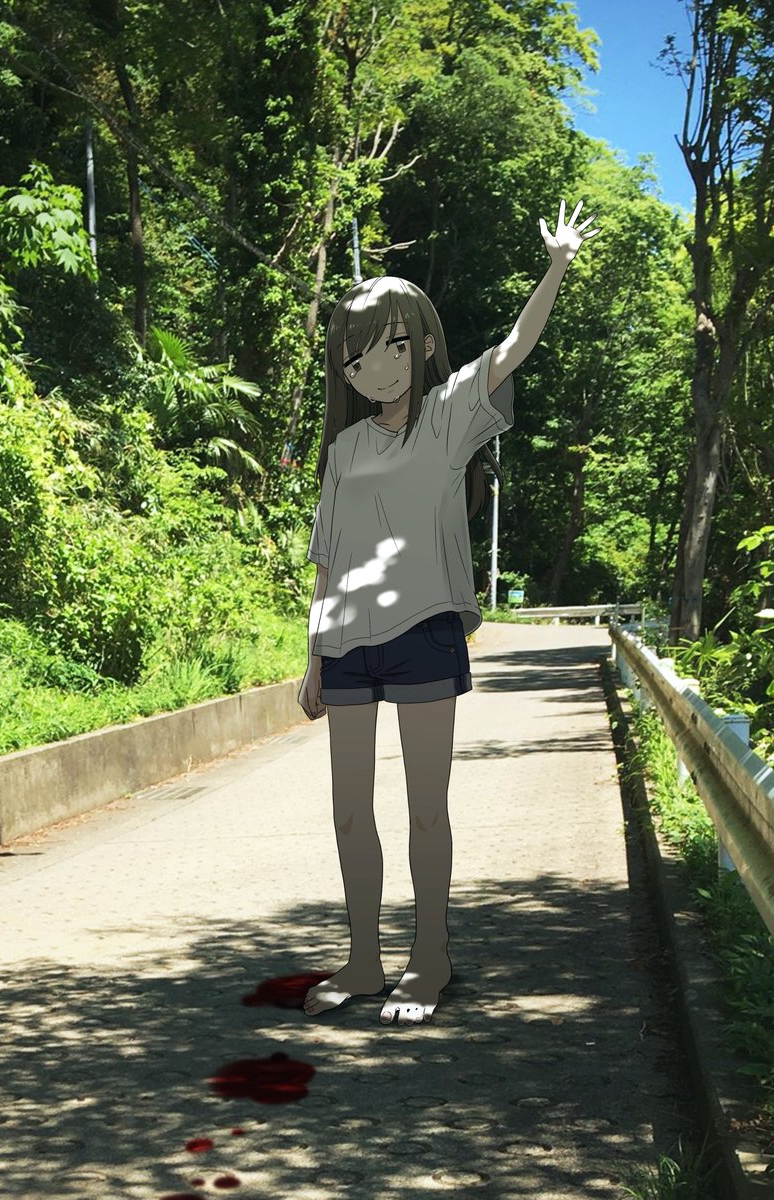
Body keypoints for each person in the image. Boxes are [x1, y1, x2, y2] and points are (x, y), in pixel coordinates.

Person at [298, 199, 601, 1026]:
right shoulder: (344, 448)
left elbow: (514, 346)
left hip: (425, 629)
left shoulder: (448, 412)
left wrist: (558, 265)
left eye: (395, 345)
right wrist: (314, 657)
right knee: (350, 811)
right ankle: (365, 960)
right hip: (347, 640)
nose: (379, 366)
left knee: (426, 807)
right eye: (359, 355)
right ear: (345, 370)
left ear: (424, 345)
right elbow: (328, 556)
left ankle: (428, 956)